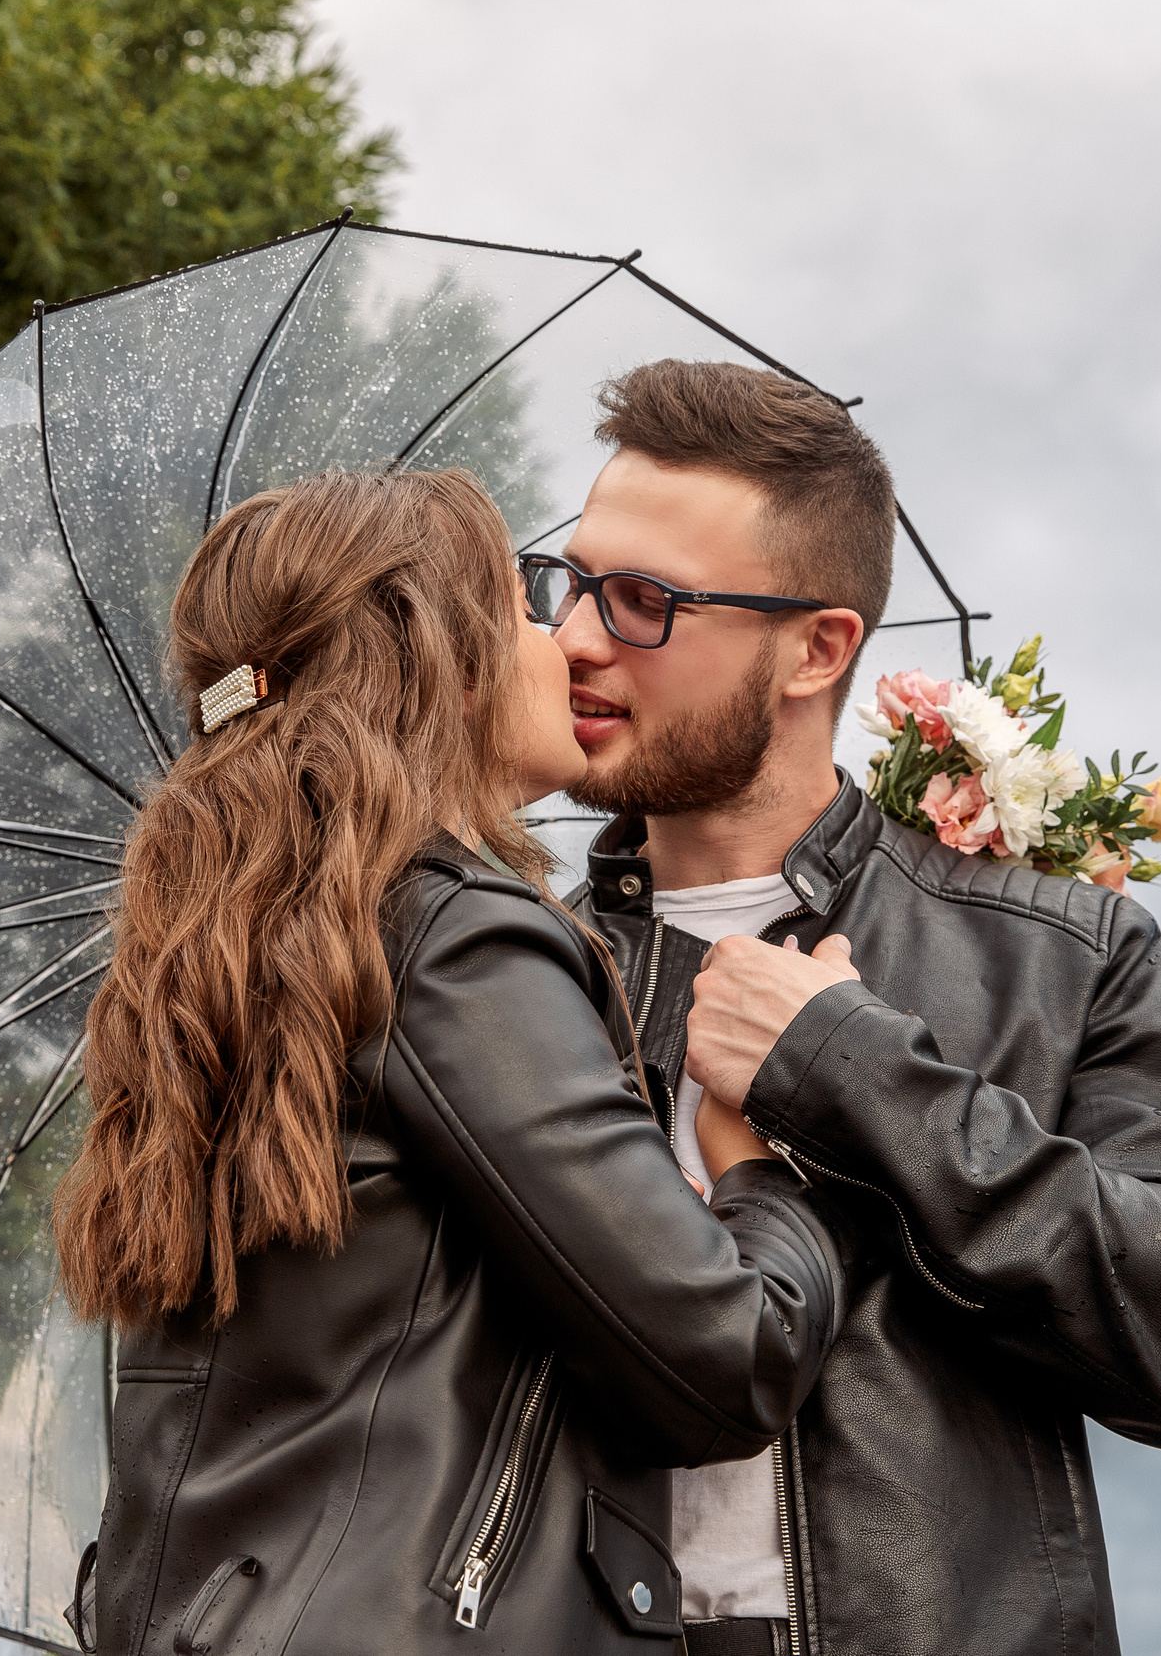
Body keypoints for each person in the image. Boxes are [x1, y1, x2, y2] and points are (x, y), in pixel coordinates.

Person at [535, 361, 1161, 1656]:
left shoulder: (1059, 954)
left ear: (819, 647)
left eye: (645, 599)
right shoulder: (514, 972)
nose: (575, 637)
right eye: (571, 581)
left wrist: (854, 1068)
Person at [53, 467, 848, 1655]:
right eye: (527, 607)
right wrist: (759, 1172)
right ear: (444, 657)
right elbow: (726, 1359)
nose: (564, 645)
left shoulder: (235, 958)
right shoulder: (449, 936)